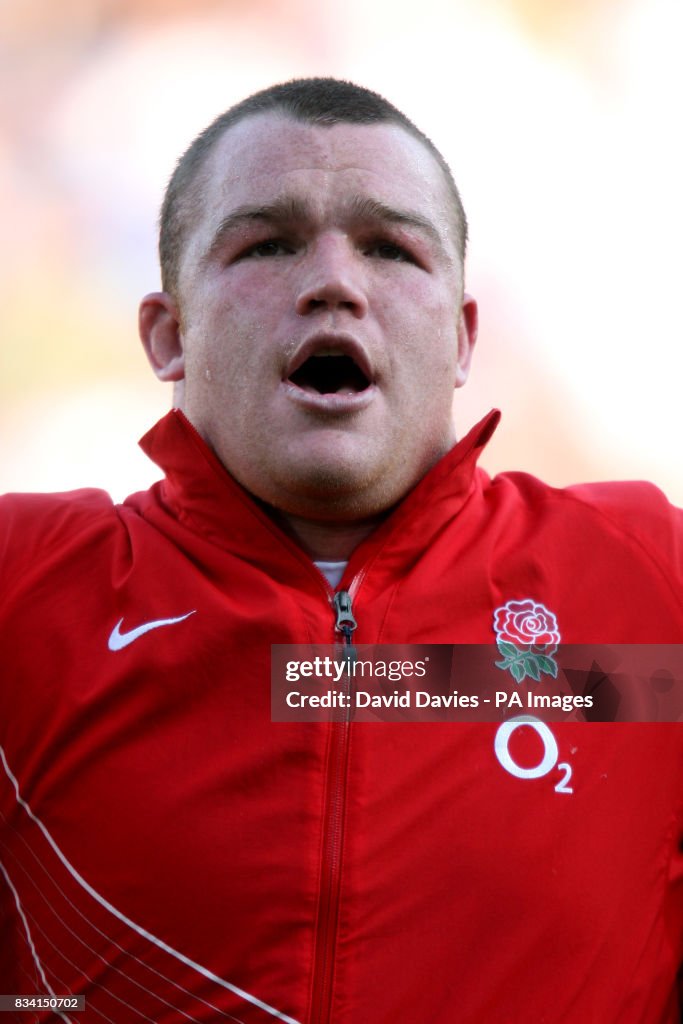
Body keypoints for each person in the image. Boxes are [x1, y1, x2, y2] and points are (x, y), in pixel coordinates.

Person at [1, 77, 682, 1024]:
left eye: (391, 248)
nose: (332, 282)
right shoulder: (23, 593)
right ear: (169, 334)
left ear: (460, 336)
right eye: (267, 243)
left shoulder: (648, 591)